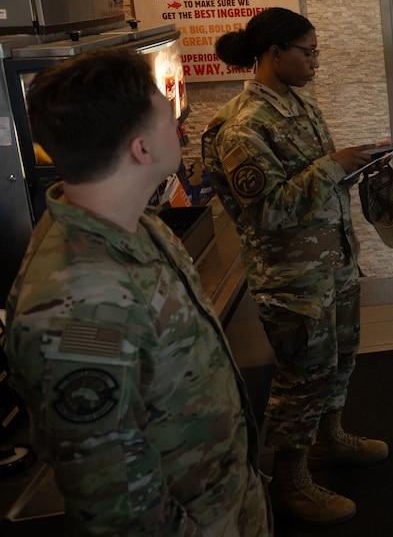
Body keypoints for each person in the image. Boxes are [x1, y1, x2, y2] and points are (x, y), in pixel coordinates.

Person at [4, 48, 270, 535]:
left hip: (227, 502)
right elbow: (117, 506)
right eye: (170, 120)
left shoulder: (139, 226)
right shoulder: (79, 304)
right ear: (141, 149)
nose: (182, 130)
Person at [202, 7, 389, 526]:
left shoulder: (297, 105)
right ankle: (290, 479)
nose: (315, 62)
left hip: (331, 262)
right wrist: (334, 164)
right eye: (307, 52)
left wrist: (361, 165)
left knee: (338, 361)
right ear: (273, 53)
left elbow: (316, 182)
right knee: (302, 375)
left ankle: (329, 439)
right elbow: (268, 209)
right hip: (292, 278)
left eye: (316, 51)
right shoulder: (243, 126)